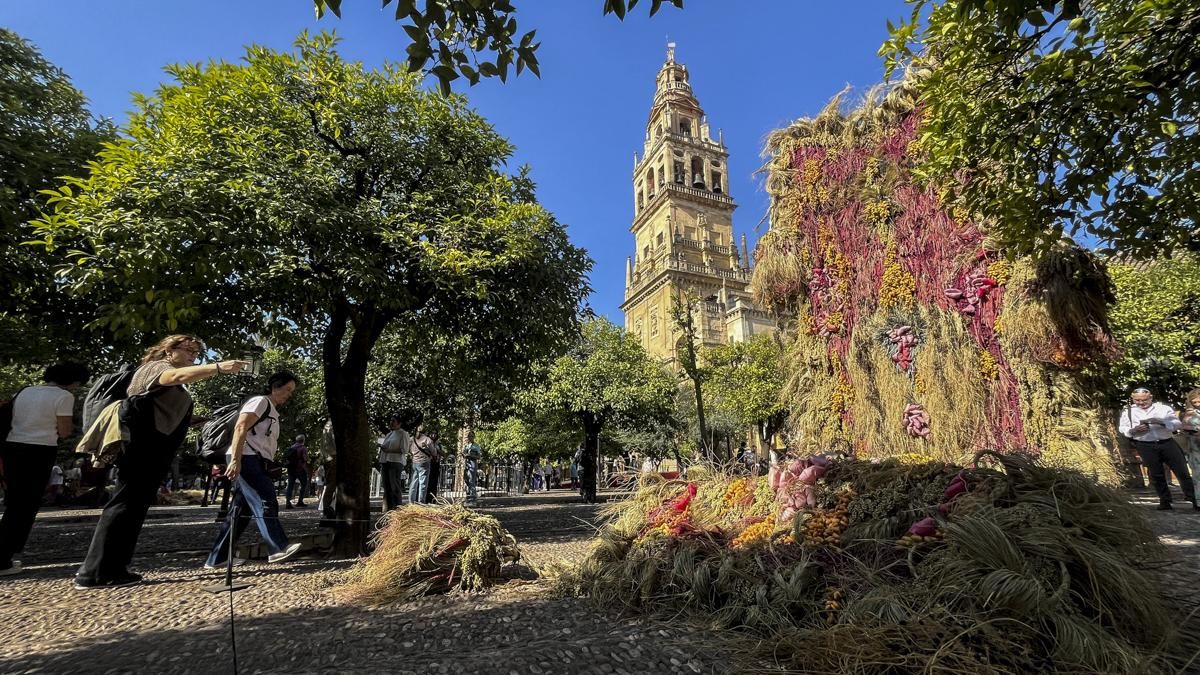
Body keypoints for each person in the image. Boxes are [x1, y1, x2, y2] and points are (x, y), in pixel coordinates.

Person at [76, 336, 246, 588]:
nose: (194, 356)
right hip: (143, 447)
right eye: (189, 350)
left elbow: (163, 408)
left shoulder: (168, 377)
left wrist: (192, 419)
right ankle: (95, 572)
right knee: (125, 502)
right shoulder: (155, 368)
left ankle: (113, 568)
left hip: (152, 448)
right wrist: (218, 367)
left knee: (133, 505)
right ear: (168, 350)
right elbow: (174, 378)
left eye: (197, 353)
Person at [204, 371, 303, 568]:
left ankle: (218, 558)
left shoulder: (271, 409)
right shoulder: (260, 402)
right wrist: (236, 460)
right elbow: (241, 427)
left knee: (240, 512)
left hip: (252, 459)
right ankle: (278, 547)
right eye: (287, 390)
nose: (289, 394)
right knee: (266, 499)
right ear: (275, 386)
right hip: (247, 457)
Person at [1, 362, 90, 577]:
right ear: (74, 381)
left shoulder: (25, 391)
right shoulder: (64, 397)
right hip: (39, 450)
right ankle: (3, 557)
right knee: (26, 505)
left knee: (13, 501)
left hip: (12, 446)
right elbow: (65, 430)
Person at [1119, 387, 1197, 511]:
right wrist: (1134, 430)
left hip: (1167, 443)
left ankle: (1193, 499)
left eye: (1144, 400)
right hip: (1145, 445)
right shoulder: (1128, 412)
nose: (1140, 403)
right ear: (1133, 399)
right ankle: (1165, 501)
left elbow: (1177, 424)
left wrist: (1162, 422)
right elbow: (1123, 428)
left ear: (1150, 397)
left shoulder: (1163, 409)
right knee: (1156, 474)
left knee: (1182, 472)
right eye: (1137, 400)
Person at [378, 414, 411, 512]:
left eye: (393, 421)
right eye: (390, 421)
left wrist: (389, 450)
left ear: (399, 423)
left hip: (395, 462)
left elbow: (404, 450)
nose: (391, 423)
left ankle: (397, 509)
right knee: (387, 487)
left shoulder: (403, 434)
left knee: (394, 487)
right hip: (385, 461)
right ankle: (388, 510)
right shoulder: (389, 434)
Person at [1179, 389, 1200, 504]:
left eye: (1199, 401)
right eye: (1194, 402)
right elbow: (1184, 427)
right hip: (1196, 447)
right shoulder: (1190, 413)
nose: (1197, 404)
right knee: (1198, 474)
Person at [408, 423, 435, 505]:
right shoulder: (427, 440)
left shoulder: (412, 439)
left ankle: (411, 501)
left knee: (413, 482)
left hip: (414, 462)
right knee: (423, 482)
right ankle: (421, 501)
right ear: (425, 431)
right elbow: (434, 452)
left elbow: (408, 449)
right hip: (424, 462)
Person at [284, 434, 309, 509]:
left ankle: (288, 502)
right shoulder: (303, 448)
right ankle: (300, 501)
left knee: (290, 486)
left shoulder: (292, 447)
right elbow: (305, 458)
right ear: (303, 440)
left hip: (291, 469)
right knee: (304, 484)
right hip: (300, 469)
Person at [463, 432, 482, 507]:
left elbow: (479, 456)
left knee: (471, 480)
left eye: (471, 436)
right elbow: (464, 454)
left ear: (474, 437)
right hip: (467, 463)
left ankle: (473, 498)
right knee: (467, 480)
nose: (470, 438)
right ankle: (468, 497)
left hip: (473, 463)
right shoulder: (466, 446)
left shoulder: (476, 446)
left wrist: (471, 455)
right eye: (469, 436)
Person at [425, 431, 443, 504]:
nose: (433, 435)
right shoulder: (427, 442)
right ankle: (427, 499)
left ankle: (433, 499)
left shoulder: (439, 444)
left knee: (434, 483)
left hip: (436, 464)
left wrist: (437, 450)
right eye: (432, 433)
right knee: (428, 482)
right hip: (429, 463)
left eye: (435, 433)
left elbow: (443, 453)